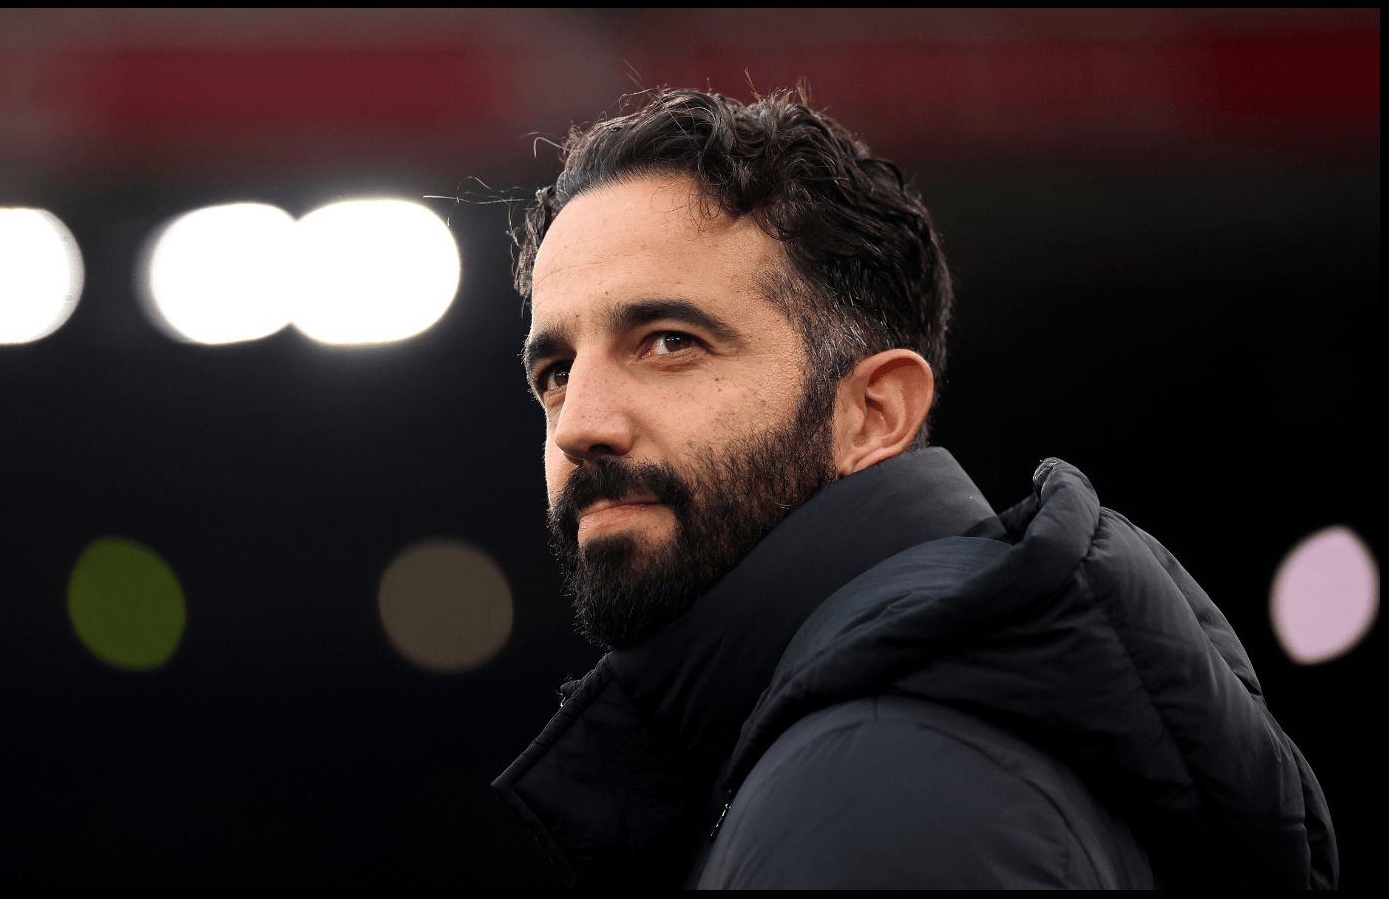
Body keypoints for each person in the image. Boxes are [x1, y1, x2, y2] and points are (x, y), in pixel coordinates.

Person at [490, 87, 1338, 889]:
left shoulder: (882, 779)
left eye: (669, 342)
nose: (577, 425)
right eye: (556, 371)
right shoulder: (909, 733)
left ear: (874, 412)